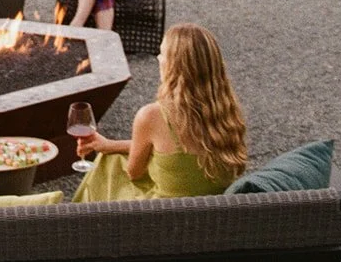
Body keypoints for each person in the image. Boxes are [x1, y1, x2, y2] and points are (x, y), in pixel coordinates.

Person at [73, 23, 247, 203]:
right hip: (212, 217)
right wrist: (110, 145)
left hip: (160, 218)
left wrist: (109, 152)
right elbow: (171, 152)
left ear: (174, 66)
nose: (158, 58)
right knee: (112, 154)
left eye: (162, 53)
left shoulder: (153, 116)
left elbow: (134, 173)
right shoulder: (228, 114)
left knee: (109, 164)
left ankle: (81, 219)